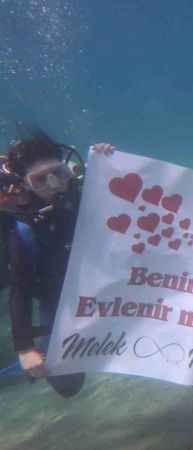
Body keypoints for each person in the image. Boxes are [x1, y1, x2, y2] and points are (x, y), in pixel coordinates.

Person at [0, 128, 113, 397]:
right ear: (25, 184)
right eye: (40, 180)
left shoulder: (83, 190)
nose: (54, 185)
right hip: (47, 286)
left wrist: (107, 161)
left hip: (87, 281)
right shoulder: (24, 228)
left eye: (58, 174)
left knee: (69, 381)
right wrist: (25, 348)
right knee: (66, 382)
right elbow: (21, 289)